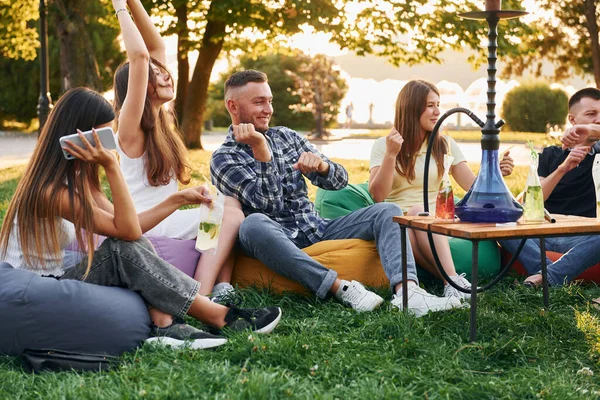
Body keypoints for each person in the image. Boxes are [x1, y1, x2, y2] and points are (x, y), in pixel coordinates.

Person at [0, 87, 281, 350]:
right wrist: (111, 166)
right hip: (38, 286)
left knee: (130, 247)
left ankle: (165, 324)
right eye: (103, 138)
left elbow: (130, 226)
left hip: (57, 275)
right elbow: (127, 232)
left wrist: (178, 199)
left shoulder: (76, 183)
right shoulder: (49, 191)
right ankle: (217, 315)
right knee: (122, 249)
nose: (109, 148)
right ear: (75, 138)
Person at [210, 70, 463, 317]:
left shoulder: (286, 137)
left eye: (270, 101)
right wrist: (262, 153)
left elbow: (340, 180)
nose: (268, 109)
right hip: (274, 236)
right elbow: (269, 205)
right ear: (233, 106)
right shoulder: (223, 158)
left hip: (318, 228)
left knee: (389, 211)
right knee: (252, 224)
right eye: (259, 102)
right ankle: (340, 287)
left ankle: (408, 294)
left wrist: (322, 167)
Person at [111, 0, 243, 299]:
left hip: (169, 219)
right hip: (150, 224)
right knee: (230, 216)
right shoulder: (129, 130)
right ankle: (201, 294)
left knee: (230, 204)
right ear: (140, 84)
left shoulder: (161, 119)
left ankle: (223, 285)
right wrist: (119, 4)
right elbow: (141, 55)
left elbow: (155, 47)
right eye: (155, 74)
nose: (165, 74)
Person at [368, 80, 514, 301]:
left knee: (419, 212)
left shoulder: (444, 144)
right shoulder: (383, 145)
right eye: (430, 105)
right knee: (408, 225)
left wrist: (496, 173)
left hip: (436, 220)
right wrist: (391, 155)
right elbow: (378, 195)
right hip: (398, 222)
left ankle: (451, 282)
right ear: (411, 108)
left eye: (438, 104)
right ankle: (453, 282)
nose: (438, 111)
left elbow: (473, 187)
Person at [501, 87, 600, 287]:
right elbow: (531, 201)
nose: (598, 119)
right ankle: (549, 271)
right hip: (541, 233)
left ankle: (546, 276)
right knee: (501, 224)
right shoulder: (549, 155)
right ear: (572, 119)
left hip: (580, 237)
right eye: (591, 114)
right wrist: (562, 169)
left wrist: (589, 130)